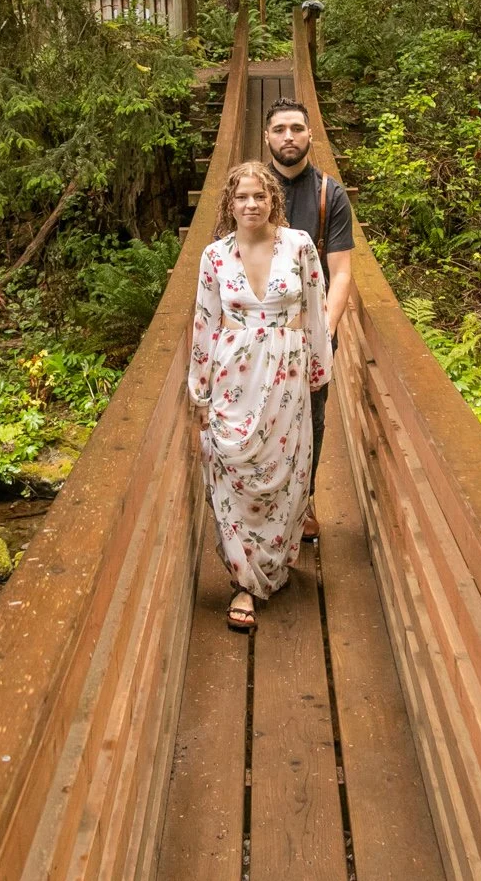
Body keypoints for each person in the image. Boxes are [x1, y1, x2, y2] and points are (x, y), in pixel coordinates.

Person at [187, 161, 332, 632]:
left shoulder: (299, 246)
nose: (251, 204)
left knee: (285, 473)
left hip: (288, 374)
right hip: (234, 375)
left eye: (259, 196)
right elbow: (204, 323)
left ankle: (272, 562)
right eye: (242, 197)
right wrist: (200, 392)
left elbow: (315, 310)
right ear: (229, 205)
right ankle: (243, 581)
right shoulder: (214, 256)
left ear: (273, 200)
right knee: (234, 470)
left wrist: (318, 372)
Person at [261, 98, 355, 541]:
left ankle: (304, 500)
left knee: (311, 421)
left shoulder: (328, 195)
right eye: (280, 129)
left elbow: (342, 273)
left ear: (310, 135)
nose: (289, 137)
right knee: (261, 418)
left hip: (310, 333)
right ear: (266, 137)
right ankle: (265, 502)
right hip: (259, 335)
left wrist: (325, 333)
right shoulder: (251, 191)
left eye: (297, 129)